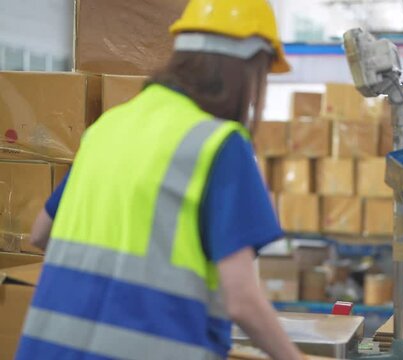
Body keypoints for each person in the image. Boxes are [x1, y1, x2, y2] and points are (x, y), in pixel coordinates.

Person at [17, 0, 304, 359]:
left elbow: (41, 233)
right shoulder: (219, 143)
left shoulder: (109, 126)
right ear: (247, 70)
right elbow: (241, 300)